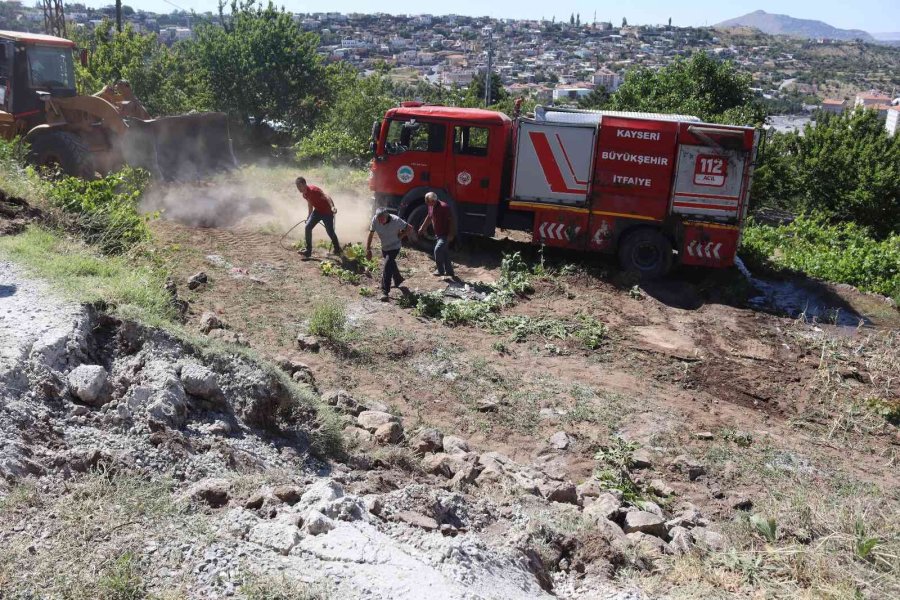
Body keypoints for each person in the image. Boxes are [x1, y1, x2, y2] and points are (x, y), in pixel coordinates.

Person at [366, 208, 413, 302]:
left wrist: (401, 236)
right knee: (391, 263)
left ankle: (385, 291)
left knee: (387, 266)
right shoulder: (375, 219)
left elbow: (409, 228)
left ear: (387, 216)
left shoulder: (396, 220)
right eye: (379, 219)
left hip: (395, 246)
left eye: (382, 219)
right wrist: (368, 249)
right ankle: (398, 279)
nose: (380, 222)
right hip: (385, 247)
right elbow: (371, 234)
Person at [296, 176, 341, 259]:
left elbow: (326, 196)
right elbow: (310, 204)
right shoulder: (304, 195)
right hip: (318, 211)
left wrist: (332, 207)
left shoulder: (314, 190)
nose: (298, 188)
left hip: (327, 212)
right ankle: (308, 251)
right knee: (308, 227)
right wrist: (309, 216)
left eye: (299, 186)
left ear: (304, 184)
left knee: (330, 231)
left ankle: (337, 249)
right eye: (297, 186)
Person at [417, 192, 456, 278]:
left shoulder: (444, 207)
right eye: (426, 202)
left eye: (428, 202)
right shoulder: (431, 206)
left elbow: (452, 221)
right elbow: (429, 216)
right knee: (445, 253)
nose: (427, 204)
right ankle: (450, 272)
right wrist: (422, 227)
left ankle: (440, 270)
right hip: (438, 234)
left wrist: (451, 234)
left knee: (437, 250)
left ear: (434, 200)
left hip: (445, 234)